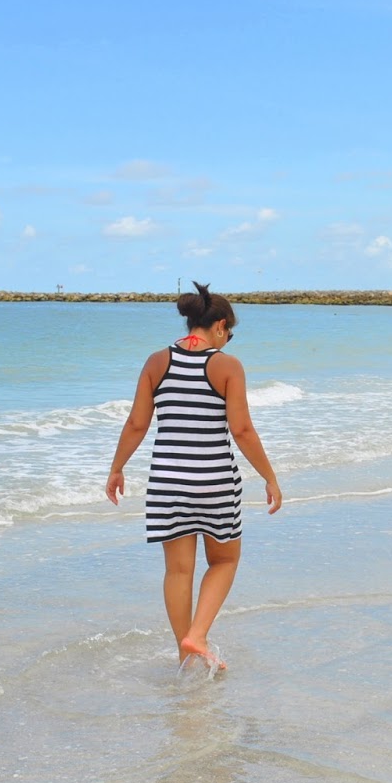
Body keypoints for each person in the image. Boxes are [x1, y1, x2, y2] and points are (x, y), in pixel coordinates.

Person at [105, 282, 282, 673]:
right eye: (229, 334)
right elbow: (242, 430)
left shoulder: (157, 362)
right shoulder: (227, 366)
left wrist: (117, 468)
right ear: (219, 326)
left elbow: (136, 424)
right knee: (224, 561)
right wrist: (269, 477)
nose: (228, 341)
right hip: (215, 481)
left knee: (177, 570)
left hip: (167, 483)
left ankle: (184, 655)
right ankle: (197, 635)